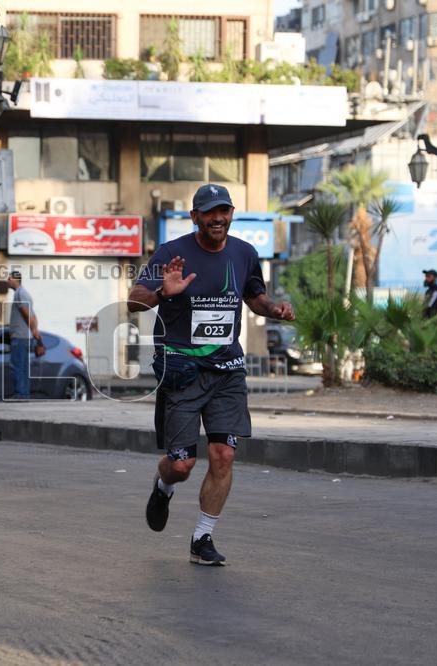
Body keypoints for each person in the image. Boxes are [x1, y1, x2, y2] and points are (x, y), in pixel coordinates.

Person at [128, 184, 295, 566]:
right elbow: (133, 299)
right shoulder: (172, 253)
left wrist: (276, 310)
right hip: (183, 370)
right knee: (183, 464)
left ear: (232, 213)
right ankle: (164, 484)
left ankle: (202, 537)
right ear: (195, 217)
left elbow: (254, 297)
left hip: (227, 371)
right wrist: (163, 293)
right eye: (209, 212)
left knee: (223, 454)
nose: (218, 218)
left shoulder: (244, 253)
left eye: (224, 211)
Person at [5, 271, 44, 400]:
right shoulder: (24, 293)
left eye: (9, 278)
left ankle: (21, 394)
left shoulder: (20, 293)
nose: (7, 281)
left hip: (20, 336)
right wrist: (35, 330)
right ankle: (24, 393)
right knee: (23, 366)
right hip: (24, 336)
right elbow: (33, 315)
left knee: (18, 365)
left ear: (15, 279)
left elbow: (26, 313)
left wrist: (33, 330)